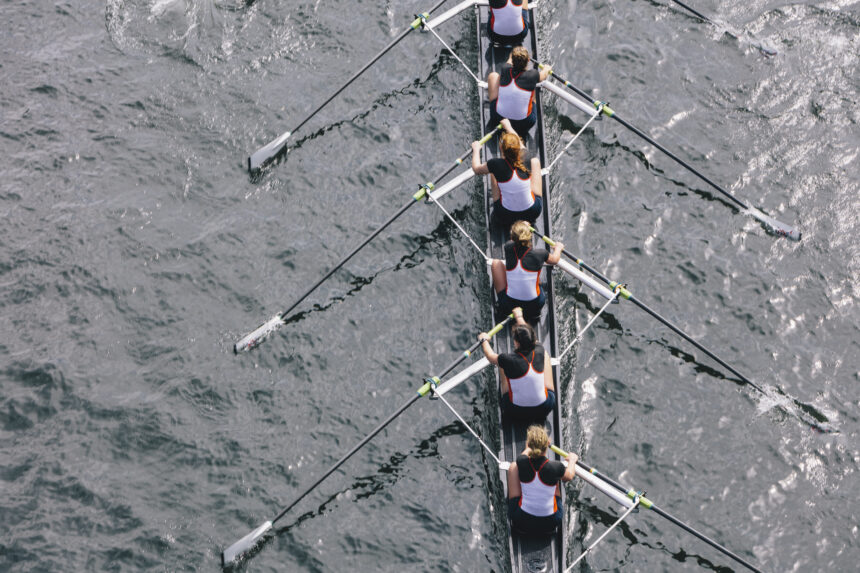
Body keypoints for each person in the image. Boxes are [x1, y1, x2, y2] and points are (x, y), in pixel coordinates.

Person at [478, 307, 556, 421]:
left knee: (501, 365)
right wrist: (519, 317)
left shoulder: (507, 359)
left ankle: (507, 391)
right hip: (544, 408)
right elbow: (532, 336)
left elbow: (490, 356)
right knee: (546, 355)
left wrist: (484, 340)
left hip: (514, 410)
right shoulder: (539, 349)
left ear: (517, 343)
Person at [506, 425, 576, 534]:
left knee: (513, 467)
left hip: (520, 520)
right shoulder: (556, 467)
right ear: (548, 444)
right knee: (555, 481)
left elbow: (524, 454)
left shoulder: (521, 461)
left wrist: (530, 446)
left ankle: (516, 504)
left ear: (528, 445)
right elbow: (569, 476)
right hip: (551, 522)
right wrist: (572, 460)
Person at [472, 119, 543, 227]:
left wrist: (476, 149)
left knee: (492, 172)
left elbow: (476, 169)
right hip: (532, 213)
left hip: (504, 215)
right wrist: (508, 127)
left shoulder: (495, 164)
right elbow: (519, 143)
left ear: (501, 149)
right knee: (535, 162)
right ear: (518, 149)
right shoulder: (527, 157)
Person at [491, 220, 562, 320]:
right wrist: (558, 248)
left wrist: (521, 227)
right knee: (536, 277)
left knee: (496, 263)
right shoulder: (541, 253)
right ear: (530, 236)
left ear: (512, 237)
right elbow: (555, 260)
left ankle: (502, 304)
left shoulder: (508, 247)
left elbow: (513, 240)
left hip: (510, 305)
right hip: (535, 305)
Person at [487, 46, 551, 138]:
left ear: (512, 59)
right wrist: (547, 68)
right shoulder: (533, 75)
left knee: (493, 76)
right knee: (533, 89)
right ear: (528, 60)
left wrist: (513, 51)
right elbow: (544, 75)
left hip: (498, 118)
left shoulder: (505, 68)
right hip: (524, 124)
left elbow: (509, 60)